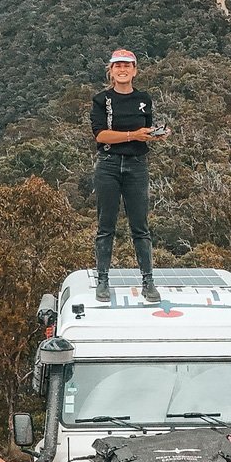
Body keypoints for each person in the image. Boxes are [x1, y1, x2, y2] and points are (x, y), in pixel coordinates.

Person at [90, 47, 169, 305]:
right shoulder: (102, 100)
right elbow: (101, 135)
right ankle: (103, 280)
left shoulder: (144, 98)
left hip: (136, 165)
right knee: (106, 226)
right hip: (109, 165)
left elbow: (145, 129)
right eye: (118, 65)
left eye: (127, 65)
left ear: (134, 70)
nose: (123, 69)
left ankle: (148, 282)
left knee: (140, 227)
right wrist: (134, 135)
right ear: (111, 71)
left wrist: (154, 134)